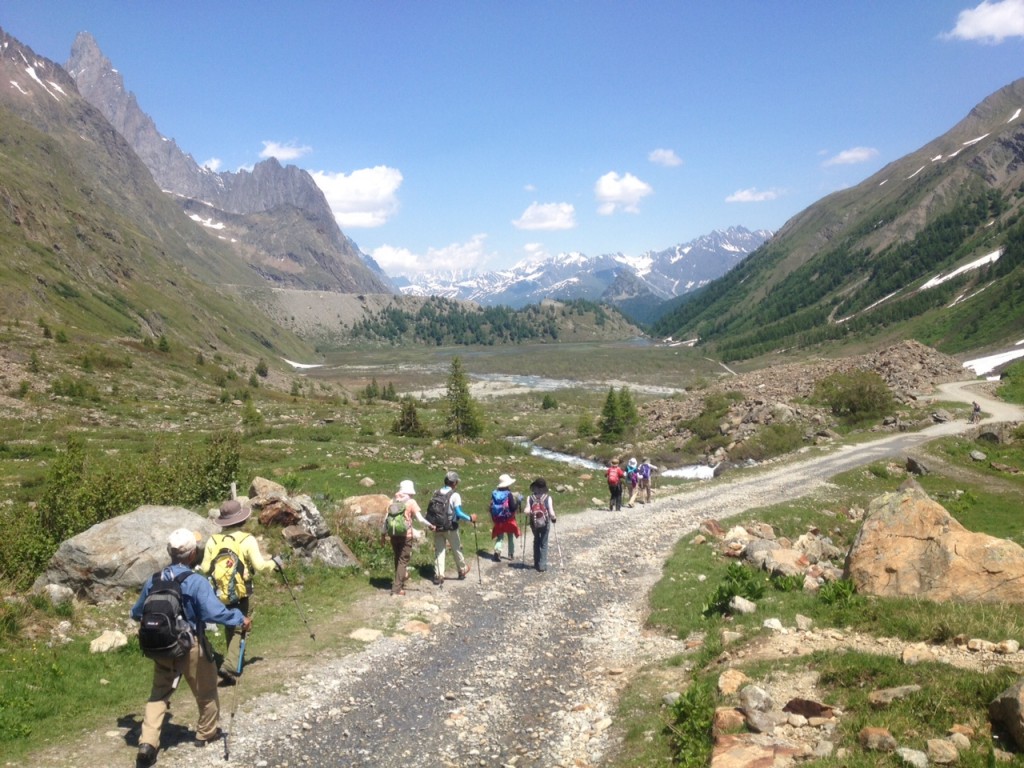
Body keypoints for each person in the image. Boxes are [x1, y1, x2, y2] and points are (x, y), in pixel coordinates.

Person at [131, 528, 252, 767]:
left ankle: (147, 743)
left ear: (170, 553)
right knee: (205, 689)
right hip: (191, 644)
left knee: (159, 694)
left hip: (163, 647)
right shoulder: (195, 581)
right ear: (191, 554)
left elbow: (137, 612)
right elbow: (213, 612)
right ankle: (206, 733)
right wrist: (240, 619)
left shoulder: (155, 579)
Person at [196, 499, 282, 684]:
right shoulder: (247, 539)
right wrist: (274, 563)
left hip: (219, 593)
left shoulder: (213, 540)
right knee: (241, 627)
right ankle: (230, 666)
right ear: (241, 519)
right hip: (241, 591)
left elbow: (204, 568)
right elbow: (259, 566)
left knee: (230, 625)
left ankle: (232, 660)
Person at [380, 479, 434, 596]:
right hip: (406, 535)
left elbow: (386, 520)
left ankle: (400, 580)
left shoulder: (392, 501)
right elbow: (420, 519)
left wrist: (383, 535)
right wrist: (430, 525)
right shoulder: (411, 502)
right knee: (403, 560)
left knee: (397, 558)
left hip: (393, 534)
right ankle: (397, 588)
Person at [430, 471, 477, 585]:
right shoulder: (455, 495)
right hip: (451, 526)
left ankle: (439, 574)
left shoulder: (436, 493)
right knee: (456, 548)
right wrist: (470, 518)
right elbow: (459, 513)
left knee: (439, 551)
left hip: (437, 526)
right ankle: (462, 569)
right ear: (454, 483)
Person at [525, 477, 557, 572]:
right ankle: (542, 565)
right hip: (545, 522)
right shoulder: (548, 498)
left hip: (534, 523)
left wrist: (528, 512)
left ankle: (536, 563)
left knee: (536, 541)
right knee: (544, 542)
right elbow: (551, 512)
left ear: (534, 487)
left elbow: (527, 511)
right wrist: (554, 518)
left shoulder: (530, 498)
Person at [489, 473, 521, 561]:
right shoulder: (508, 494)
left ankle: (497, 551)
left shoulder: (494, 493)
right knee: (510, 537)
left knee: (500, 537)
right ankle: (510, 554)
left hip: (498, 519)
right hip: (509, 519)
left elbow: (491, 506)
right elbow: (513, 507)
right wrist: (518, 502)